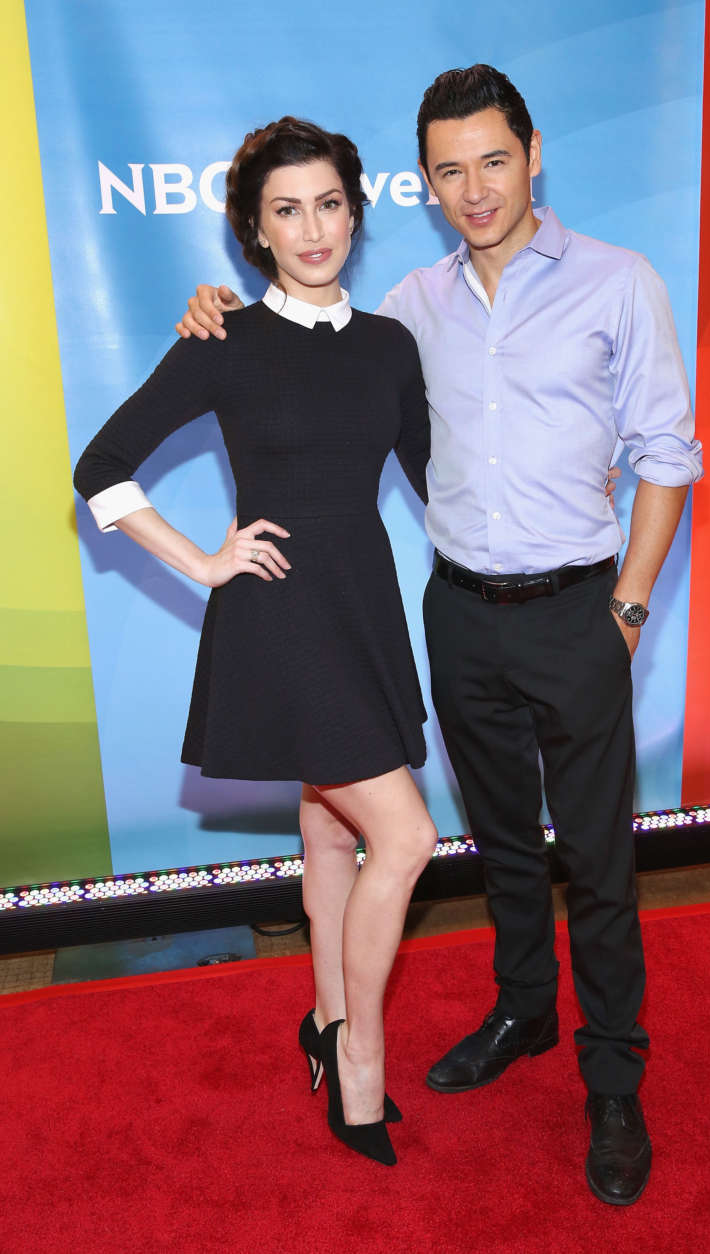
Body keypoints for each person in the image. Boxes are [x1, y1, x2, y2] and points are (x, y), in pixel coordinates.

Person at [177, 65, 702, 1205]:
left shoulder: (620, 283)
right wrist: (211, 309)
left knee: (599, 861)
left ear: (534, 153)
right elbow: (304, 337)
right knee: (503, 844)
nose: (474, 189)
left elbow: (667, 453)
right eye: (449, 171)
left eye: (493, 162)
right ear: (425, 184)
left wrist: (628, 606)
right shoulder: (408, 307)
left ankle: (613, 1081)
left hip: (580, 612)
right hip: (456, 613)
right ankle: (522, 1011)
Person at [74, 117, 441, 1168]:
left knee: (333, 833)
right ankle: (361, 1062)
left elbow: (438, 481)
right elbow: (100, 466)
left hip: (362, 607)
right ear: (254, 230)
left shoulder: (389, 345)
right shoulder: (221, 339)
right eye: (288, 209)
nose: (313, 226)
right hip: (281, 620)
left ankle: (325, 1018)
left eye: (329, 203)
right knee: (406, 838)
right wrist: (198, 561)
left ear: (356, 214)